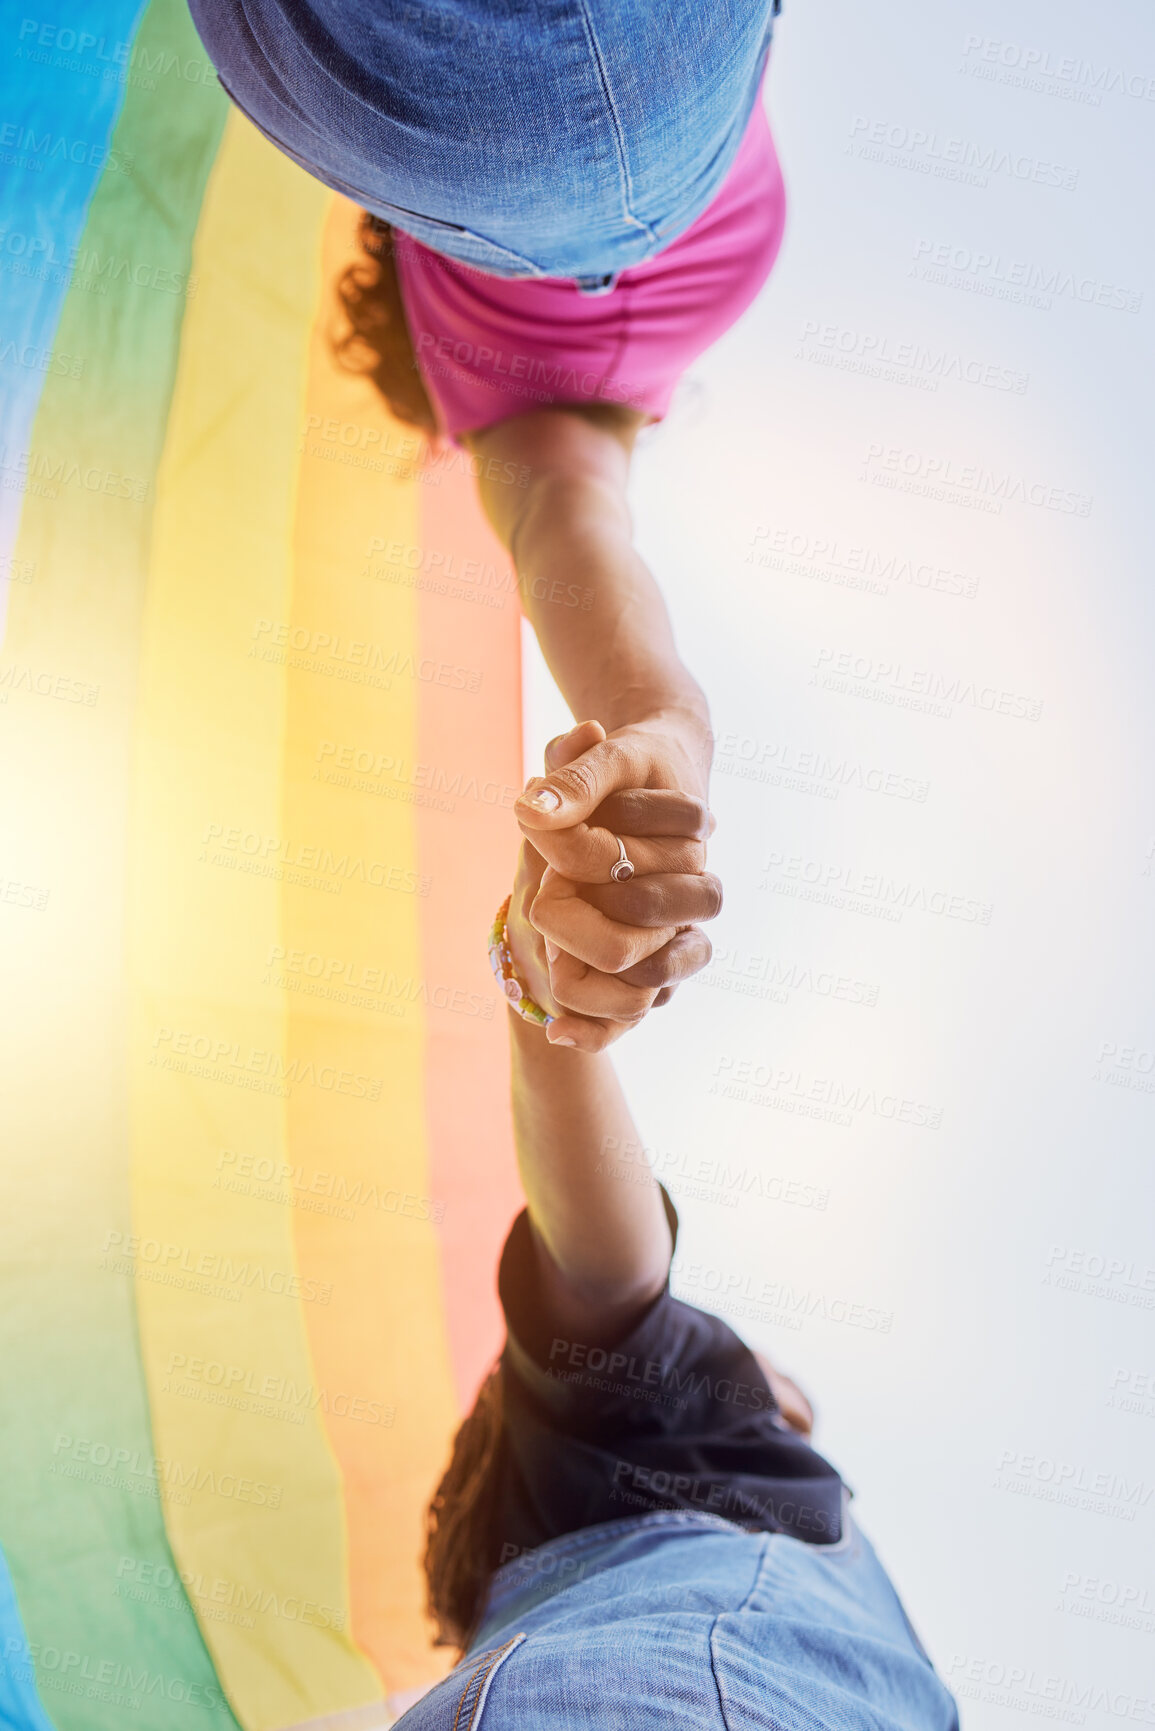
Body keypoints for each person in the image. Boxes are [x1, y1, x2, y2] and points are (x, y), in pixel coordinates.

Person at [186, 0, 793, 1025]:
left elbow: (574, 525)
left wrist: (666, 714)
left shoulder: (524, 414)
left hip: (577, 110)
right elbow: (572, 522)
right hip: (398, 116)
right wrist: (662, 718)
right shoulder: (509, 402)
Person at [388, 729, 960, 1726]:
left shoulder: (574, 1554)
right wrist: (540, 998)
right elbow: (610, 1268)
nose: (799, 1402)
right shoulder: (677, 1401)